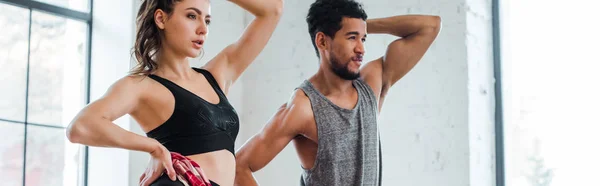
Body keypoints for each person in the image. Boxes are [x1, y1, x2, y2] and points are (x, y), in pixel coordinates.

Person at [65, 0, 283, 185]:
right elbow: (80, 127)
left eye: (206, 20)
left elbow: (272, 10)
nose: (203, 29)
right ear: (161, 19)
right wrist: (154, 148)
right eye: (191, 16)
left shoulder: (217, 74)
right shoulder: (141, 86)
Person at [234, 0, 441, 185]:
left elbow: (430, 26)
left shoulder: (371, 84)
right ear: (322, 41)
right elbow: (239, 167)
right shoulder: (303, 107)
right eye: (352, 38)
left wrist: (362, 26)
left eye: (363, 39)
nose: (361, 49)